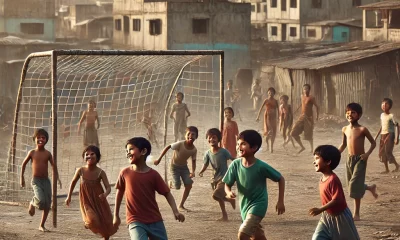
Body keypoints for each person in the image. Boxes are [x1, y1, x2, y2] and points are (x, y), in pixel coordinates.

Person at [113, 137, 185, 240]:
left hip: (155, 220)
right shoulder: (125, 173)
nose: (128, 153)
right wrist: (116, 215)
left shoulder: (153, 175)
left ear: (143, 151)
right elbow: (119, 192)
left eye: (131, 149)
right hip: (135, 220)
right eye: (126, 151)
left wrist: (175, 211)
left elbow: (167, 193)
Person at [223, 130, 285, 240]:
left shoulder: (261, 166)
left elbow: (280, 178)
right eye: (238, 144)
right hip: (244, 206)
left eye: (243, 144)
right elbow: (227, 184)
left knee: (243, 234)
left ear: (254, 148)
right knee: (257, 236)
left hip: (258, 205)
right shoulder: (235, 165)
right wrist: (228, 192)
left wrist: (280, 201)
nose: (239, 147)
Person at [65, 145, 116, 240]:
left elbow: (108, 187)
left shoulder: (100, 172)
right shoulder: (80, 170)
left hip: (99, 201)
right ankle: (88, 222)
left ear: (97, 157)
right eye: (86, 154)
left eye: (92, 154)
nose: (89, 156)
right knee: (93, 220)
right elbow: (72, 183)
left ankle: (105, 237)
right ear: (84, 157)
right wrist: (69, 196)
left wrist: (105, 194)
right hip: (86, 200)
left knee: (105, 222)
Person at [309, 145, 360, 240]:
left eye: (317, 158)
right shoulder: (323, 179)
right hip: (327, 217)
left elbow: (337, 200)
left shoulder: (333, 179)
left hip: (341, 218)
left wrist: (320, 209)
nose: (314, 162)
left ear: (328, 162)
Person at [338, 102, 378, 221]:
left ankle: (356, 213)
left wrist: (367, 154)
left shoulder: (362, 129)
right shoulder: (344, 129)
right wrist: (335, 154)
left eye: (353, 112)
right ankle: (369, 187)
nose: (350, 114)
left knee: (354, 185)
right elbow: (344, 144)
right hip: (349, 160)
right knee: (351, 184)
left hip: (360, 159)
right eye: (348, 112)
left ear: (359, 115)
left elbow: (373, 143)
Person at [20, 128, 62, 232]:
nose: (41, 139)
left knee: (47, 204)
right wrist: (22, 178)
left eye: (43, 138)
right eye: (38, 137)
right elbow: (23, 164)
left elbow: (53, 166)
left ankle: (41, 225)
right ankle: (32, 202)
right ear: (34, 139)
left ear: (46, 140)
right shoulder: (32, 152)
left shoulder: (48, 154)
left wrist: (58, 178)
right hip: (36, 181)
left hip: (46, 181)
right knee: (41, 199)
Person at [154, 126, 198, 211]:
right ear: (185, 136)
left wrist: (193, 171)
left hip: (184, 168)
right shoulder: (180, 144)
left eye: (193, 134)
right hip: (174, 167)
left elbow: (193, 161)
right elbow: (168, 147)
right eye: (188, 134)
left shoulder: (194, 150)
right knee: (177, 186)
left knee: (189, 185)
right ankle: (171, 183)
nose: (191, 136)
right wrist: (159, 159)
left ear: (196, 137)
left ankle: (181, 205)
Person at [198, 128, 235, 221]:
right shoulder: (207, 153)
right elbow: (206, 164)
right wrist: (201, 171)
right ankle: (227, 207)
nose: (211, 139)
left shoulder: (223, 151)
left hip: (224, 178)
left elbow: (233, 159)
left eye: (214, 137)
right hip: (215, 178)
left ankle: (225, 214)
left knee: (215, 195)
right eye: (209, 138)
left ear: (218, 139)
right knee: (220, 197)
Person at [291, 84, 319, 154]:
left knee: (309, 135)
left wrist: (317, 117)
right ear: (303, 90)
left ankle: (312, 149)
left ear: (309, 90)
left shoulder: (311, 98)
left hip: (308, 118)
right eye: (304, 89)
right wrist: (296, 110)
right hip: (302, 117)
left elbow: (317, 107)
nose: (305, 90)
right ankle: (302, 147)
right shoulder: (302, 96)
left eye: (307, 89)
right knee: (293, 133)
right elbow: (302, 104)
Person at [374, 98, 400, 173]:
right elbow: (382, 126)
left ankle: (397, 165)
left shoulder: (391, 116)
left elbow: (398, 126)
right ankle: (386, 169)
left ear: (390, 106)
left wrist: (397, 138)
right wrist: (376, 136)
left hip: (390, 134)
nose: (384, 105)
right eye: (383, 104)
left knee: (388, 151)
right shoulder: (382, 115)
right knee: (382, 152)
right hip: (383, 134)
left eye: (386, 104)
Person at [256, 87, 279, 153]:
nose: (270, 93)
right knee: (269, 131)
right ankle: (268, 145)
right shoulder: (266, 100)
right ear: (267, 93)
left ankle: (271, 147)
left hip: (274, 117)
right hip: (267, 117)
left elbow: (278, 110)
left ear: (274, 93)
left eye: (272, 92)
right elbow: (261, 108)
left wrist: (279, 118)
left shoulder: (275, 101)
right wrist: (258, 117)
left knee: (273, 132)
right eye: (269, 92)